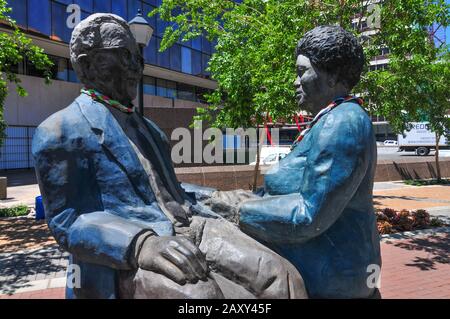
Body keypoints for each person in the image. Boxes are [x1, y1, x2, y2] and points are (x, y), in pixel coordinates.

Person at [32, 13, 305, 299]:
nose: (136, 66)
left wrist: (220, 198)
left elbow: (168, 193)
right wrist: (141, 244)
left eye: (137, 56)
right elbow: (68, 220)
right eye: (123, 55)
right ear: (87, 64)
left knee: (283, 276)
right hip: (132, 249)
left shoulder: (149, 129)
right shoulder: (60, 131)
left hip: (194, 224)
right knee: (200, 296)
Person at [237, 25, 382, 299]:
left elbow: (308, 217)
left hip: (333, 273)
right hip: (330, 263)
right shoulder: (328, 120)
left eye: (302, 71)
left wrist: (240, 211)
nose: (295, 82)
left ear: (332, 76)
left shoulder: (342, 122)